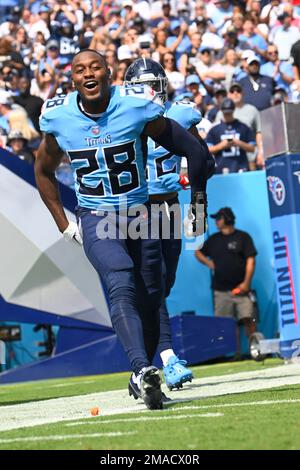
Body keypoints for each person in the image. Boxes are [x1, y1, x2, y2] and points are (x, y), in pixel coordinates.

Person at [35, 49, 209, 410]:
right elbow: (43, 171)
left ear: (109, 73)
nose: (89, 74)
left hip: (143, 213)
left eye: (95, 67)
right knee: (121, 282)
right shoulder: (59, 116)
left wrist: (199, 199)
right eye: (80, 69)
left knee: (152, 290)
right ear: (73, 79)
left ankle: (148, 368)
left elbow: (192, 148)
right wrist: (64, 224)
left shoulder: (134, 107)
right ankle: (142, 368)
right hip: (98, 216)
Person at [124, 57, 215, 392]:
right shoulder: (124, 118)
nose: (149, 92)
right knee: (154, 281)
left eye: (154, 84)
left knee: (166, 283)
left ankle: (144, 361)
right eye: (141, 86)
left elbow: (204, 158)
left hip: (171, 208)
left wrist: (196, 186)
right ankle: (167, 356)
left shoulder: (180, 113)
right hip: (139, 210)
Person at [195, 207, 258, 357]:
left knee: (249, 319)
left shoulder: (243, 237)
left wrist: (246, 283)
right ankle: (233, 354)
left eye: (219, 218)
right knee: (226, 324)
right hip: (221, 290)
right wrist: (209, 263)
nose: (216, 221)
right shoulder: (214, 240)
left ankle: (255, 350)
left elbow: (251, 261)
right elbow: (198, 252)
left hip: (242, 289)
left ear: (228, 219)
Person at [206, 97, 256, 174]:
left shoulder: (243, 127)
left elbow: (252, 148)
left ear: (233, 110)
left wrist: (238, 143)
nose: (227, 115)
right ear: (221, 111)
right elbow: (207, 150)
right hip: (221, 168)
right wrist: (221, 146)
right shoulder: (215, 129)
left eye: (229, 112)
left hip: (241, 167)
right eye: (226, 113)